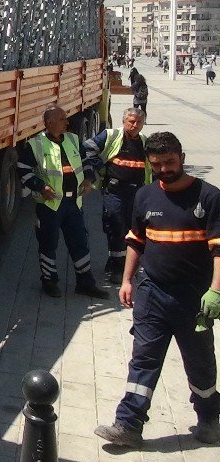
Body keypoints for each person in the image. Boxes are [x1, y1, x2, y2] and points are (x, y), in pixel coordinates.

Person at [94, 131, 220, 448]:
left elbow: (219, 249)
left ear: (182, 158)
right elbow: (136, 240)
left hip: (195, 299)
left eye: (170, 162)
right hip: (152, 293)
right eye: (158, 164)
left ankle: (209, 419)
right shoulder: (146, 196)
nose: (165, 168)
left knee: (200, 364)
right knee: (143, 360)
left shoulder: (209, 197)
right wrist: (127, 280)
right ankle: (128, 425)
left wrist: (216, 291)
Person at [17, 105, 109, 299]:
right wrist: (40, 186)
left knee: (80, 242)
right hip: (50, 205)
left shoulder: (74, 140)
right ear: (49, 123)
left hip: (74, 204)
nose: (67, 122)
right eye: (62, 119)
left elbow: (87, 163)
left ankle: (85, 283)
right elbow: (23, 169)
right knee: (48, 243)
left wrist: (88, 180)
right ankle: (49, 282)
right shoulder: (36, 144)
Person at [83, 108, 151, 285]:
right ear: (123, 121)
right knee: (116, 226)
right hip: (115, 192)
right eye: (131, 121)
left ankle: (124, 265)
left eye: (138, 122)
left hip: (136, 193)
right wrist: (100, 165)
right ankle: (117, 268)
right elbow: (87, 148)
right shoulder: (111, 135)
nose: (134, 125)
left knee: (133, 230)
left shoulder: (144, 142)